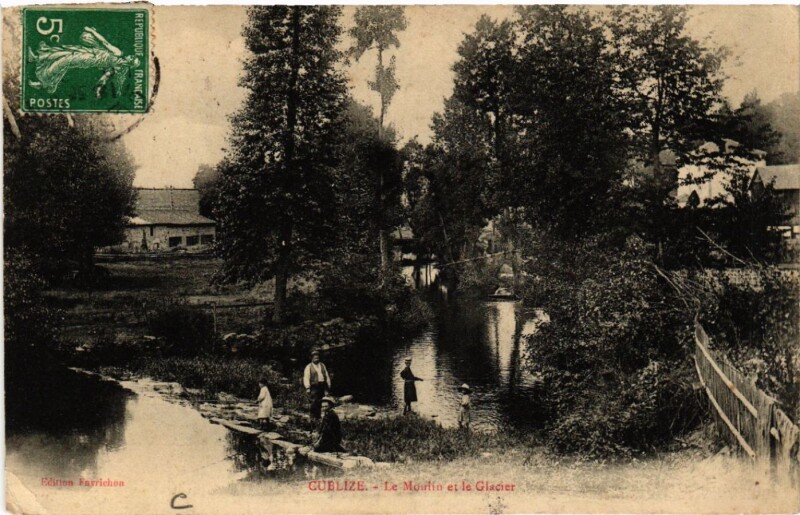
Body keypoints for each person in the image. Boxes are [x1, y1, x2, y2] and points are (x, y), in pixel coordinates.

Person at [303, 349, 331, 419]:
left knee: (322, 402)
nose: (316, 358)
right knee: (314, 402)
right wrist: (307, 387)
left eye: (317, 357)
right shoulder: (309, 367)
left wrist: (328, 385)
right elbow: (306, 377)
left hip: (322, 386)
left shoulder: (322, 365)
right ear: (311, 358)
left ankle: (319, 418)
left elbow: (326, 376)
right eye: (314, 357)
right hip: (314, 387)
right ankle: (313, 418)